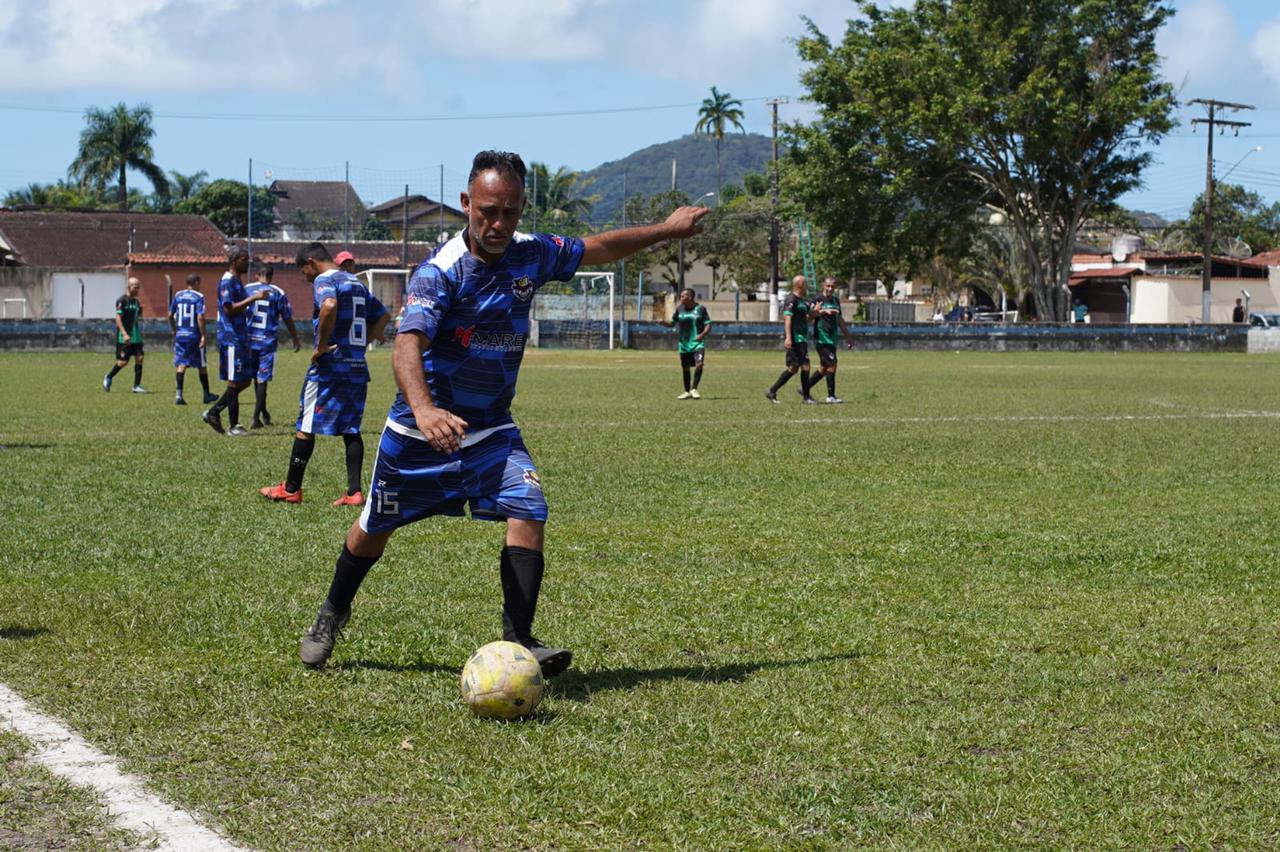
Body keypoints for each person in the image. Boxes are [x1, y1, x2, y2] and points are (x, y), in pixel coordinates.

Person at [295, 150, 709, 673]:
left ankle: (520, 642)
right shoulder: (440, 271)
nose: (497, 223)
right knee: (374, 526)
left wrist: (667, 231)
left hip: (490, 429)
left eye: (509, 213)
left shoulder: (531, 253)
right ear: (466, 203)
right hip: (420, 432)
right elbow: (407, 343)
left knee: (529, 507)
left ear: (521, 209)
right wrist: (424, 410)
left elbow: (598, 248)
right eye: (487, 210)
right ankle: (332, 612)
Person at [260, 244, 389, 506]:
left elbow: (329, 305)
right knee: (351, 428)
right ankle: (354, 492)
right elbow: (383, 316)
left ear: (310, 262)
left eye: (303, 271)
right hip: (356, 366)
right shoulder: (356, 282)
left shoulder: (324, 279)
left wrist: (321, 346)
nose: (304, 277)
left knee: (306, 424)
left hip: (330, 367)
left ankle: (292, 488)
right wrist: (361, 344)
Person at [202, 248, 267, 437]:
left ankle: (213, 412)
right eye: (244, 259)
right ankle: (234, 426)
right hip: (230, 338)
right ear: (233, 261)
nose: (247, 263)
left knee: (245, 380)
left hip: (240, 337)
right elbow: (229, 309)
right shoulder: (227, 281)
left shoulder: (237, 280)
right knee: (233, 380)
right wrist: (253, 298)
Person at [245, 264, 301, 429]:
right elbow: (287, 317)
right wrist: (295, 337)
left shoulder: (246, 289)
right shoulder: (278, 292)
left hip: (247, 341)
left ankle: (263, 413)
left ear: (256, 275)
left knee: (253, 378)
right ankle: (256, 418)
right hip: (267, 342)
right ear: (271, 276)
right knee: (262, 379)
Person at [765, 275, 818, 404]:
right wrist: (788, 338)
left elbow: (809, 317)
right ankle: (806, 397)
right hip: (795, 339)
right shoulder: (791, 300)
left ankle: (772, 391)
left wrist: (817, 312)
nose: (807, 286)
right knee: (805, 367)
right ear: (800, 285)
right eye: (805, 283)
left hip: (801, 338)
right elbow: (787, 318)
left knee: (794, 368)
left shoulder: (802, 302)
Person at [168, 274, 217, 406]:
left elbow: (170, 315)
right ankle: (206, 394)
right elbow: (200, 317)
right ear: (196, 282)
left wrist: (174, 329)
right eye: (199, 283)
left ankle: (179, 395)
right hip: (193, 336)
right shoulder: (198, 297)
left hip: (181, 335)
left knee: (181, 364)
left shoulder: (178, 295)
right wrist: (203, 335)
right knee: (201, 364)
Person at [661, 287, 712, 399]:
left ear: (690, 297)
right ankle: (686, 391)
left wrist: (702, 335)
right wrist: (663, 323)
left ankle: (694, 389)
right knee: (685, 368)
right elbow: (672, 323)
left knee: (699, 364)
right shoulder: (679, 309)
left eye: (683, 296)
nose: (681, 298)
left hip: (697, 343)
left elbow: (708, 324)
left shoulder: (700, 309)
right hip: (684, 344)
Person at [810, 276, 854, 404]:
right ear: (823, 286)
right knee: (832, 364)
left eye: (832, 286)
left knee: (824, 368)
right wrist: (822, 311)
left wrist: (848, 336)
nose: (830, 289)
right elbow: (810, 315)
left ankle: (805, 388)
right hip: (821, 338)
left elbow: (840, 319)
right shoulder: (818, 299)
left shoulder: (835, 300)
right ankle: (831, 396)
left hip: (832, 338)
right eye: (828, 286)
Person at [103, 278, 147, 393]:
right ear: (129, 286)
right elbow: (118, 319)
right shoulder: (122, 301)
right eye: (135, 287)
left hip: (136, 337)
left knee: (140, 358)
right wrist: (124, 333)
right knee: (123, 362)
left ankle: (136, 386)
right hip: (125, 337)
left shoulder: (137, 302)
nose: (137, 289)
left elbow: (137, 317)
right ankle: (109, 376)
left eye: (139, 287)